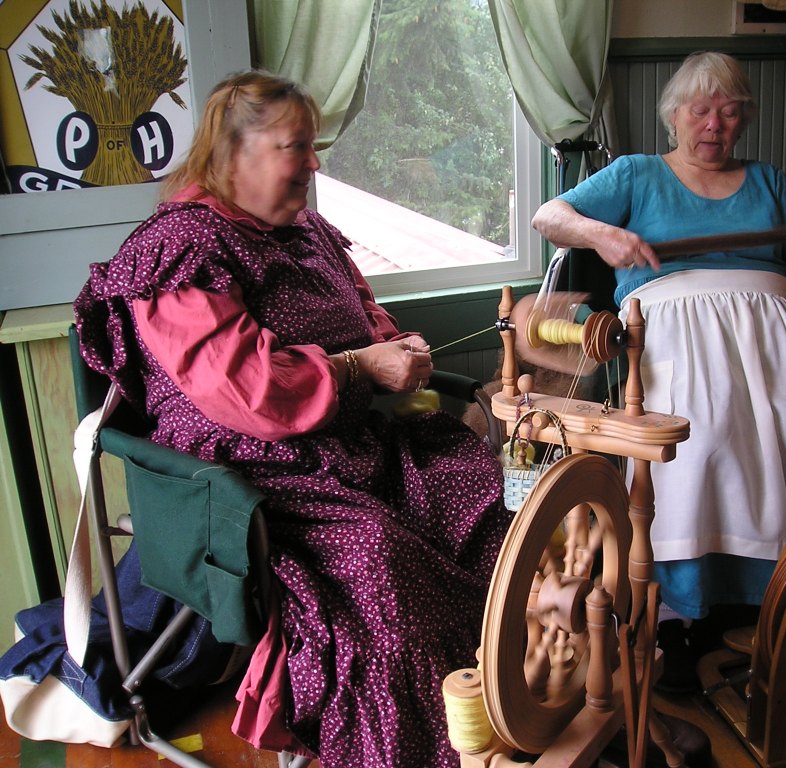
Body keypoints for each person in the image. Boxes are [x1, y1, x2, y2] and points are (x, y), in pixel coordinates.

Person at [73, 70, 512, 768]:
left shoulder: (304, 230)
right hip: (249, 476)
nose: (313, 164)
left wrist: (394, 347)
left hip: (352, 444)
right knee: (380, 566)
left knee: (485, 493)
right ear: (232, 153)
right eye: (295, 147)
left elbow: (361, 313)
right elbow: (249, 391)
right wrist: (362, 369)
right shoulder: (181, 251)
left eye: (314, 146)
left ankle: (502, 713)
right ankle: (416, 750)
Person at [531, 52, 786, 678]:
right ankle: (680, 611)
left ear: (745, 120)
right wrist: (603, 235)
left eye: (730, 112)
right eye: (701, 110)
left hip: (775, 329)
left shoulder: (769, 181)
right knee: (701, 438)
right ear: (674, 116)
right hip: (672, 327)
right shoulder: (636, 174)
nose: (715, 124)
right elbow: (548, 217)